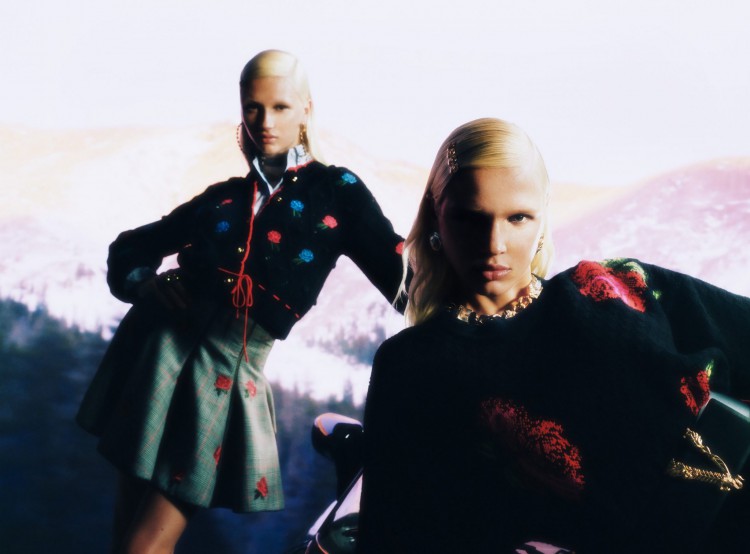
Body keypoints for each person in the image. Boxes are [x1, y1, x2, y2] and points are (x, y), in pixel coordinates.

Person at [358, 117, 750, 553]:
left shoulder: (614, 286)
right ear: (436, 215)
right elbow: (394, 531)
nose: (494, 243)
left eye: (518, 218)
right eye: (471, 218)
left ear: (542, 217)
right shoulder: (411, 364)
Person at [76, 49, 405, 553]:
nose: (266, 122)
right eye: (254, 107)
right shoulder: (224, 196)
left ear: (306, 110)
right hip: (154, 359)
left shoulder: (338, 192)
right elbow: (130, 248)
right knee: (125, 540)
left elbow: (405, 278)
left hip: (223, 379)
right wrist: (145, 284)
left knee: (141, 547)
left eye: (280, 107)